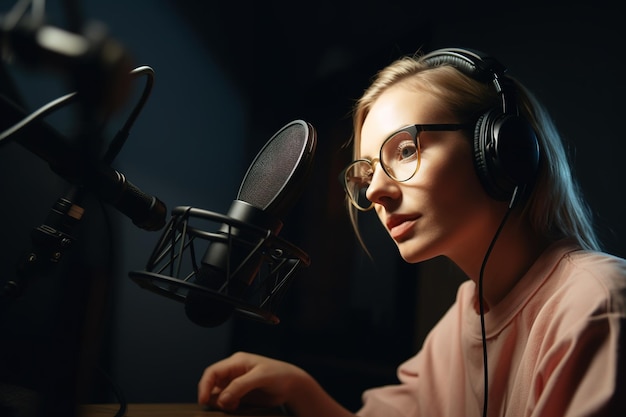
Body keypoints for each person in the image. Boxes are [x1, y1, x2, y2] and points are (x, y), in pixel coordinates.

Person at [196, 47, 626, 417]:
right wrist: (301, 389)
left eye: (404, 150)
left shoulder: (596, 305)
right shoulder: (464, 318)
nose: (376, 190)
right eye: (365, 174)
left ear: (497, 149)